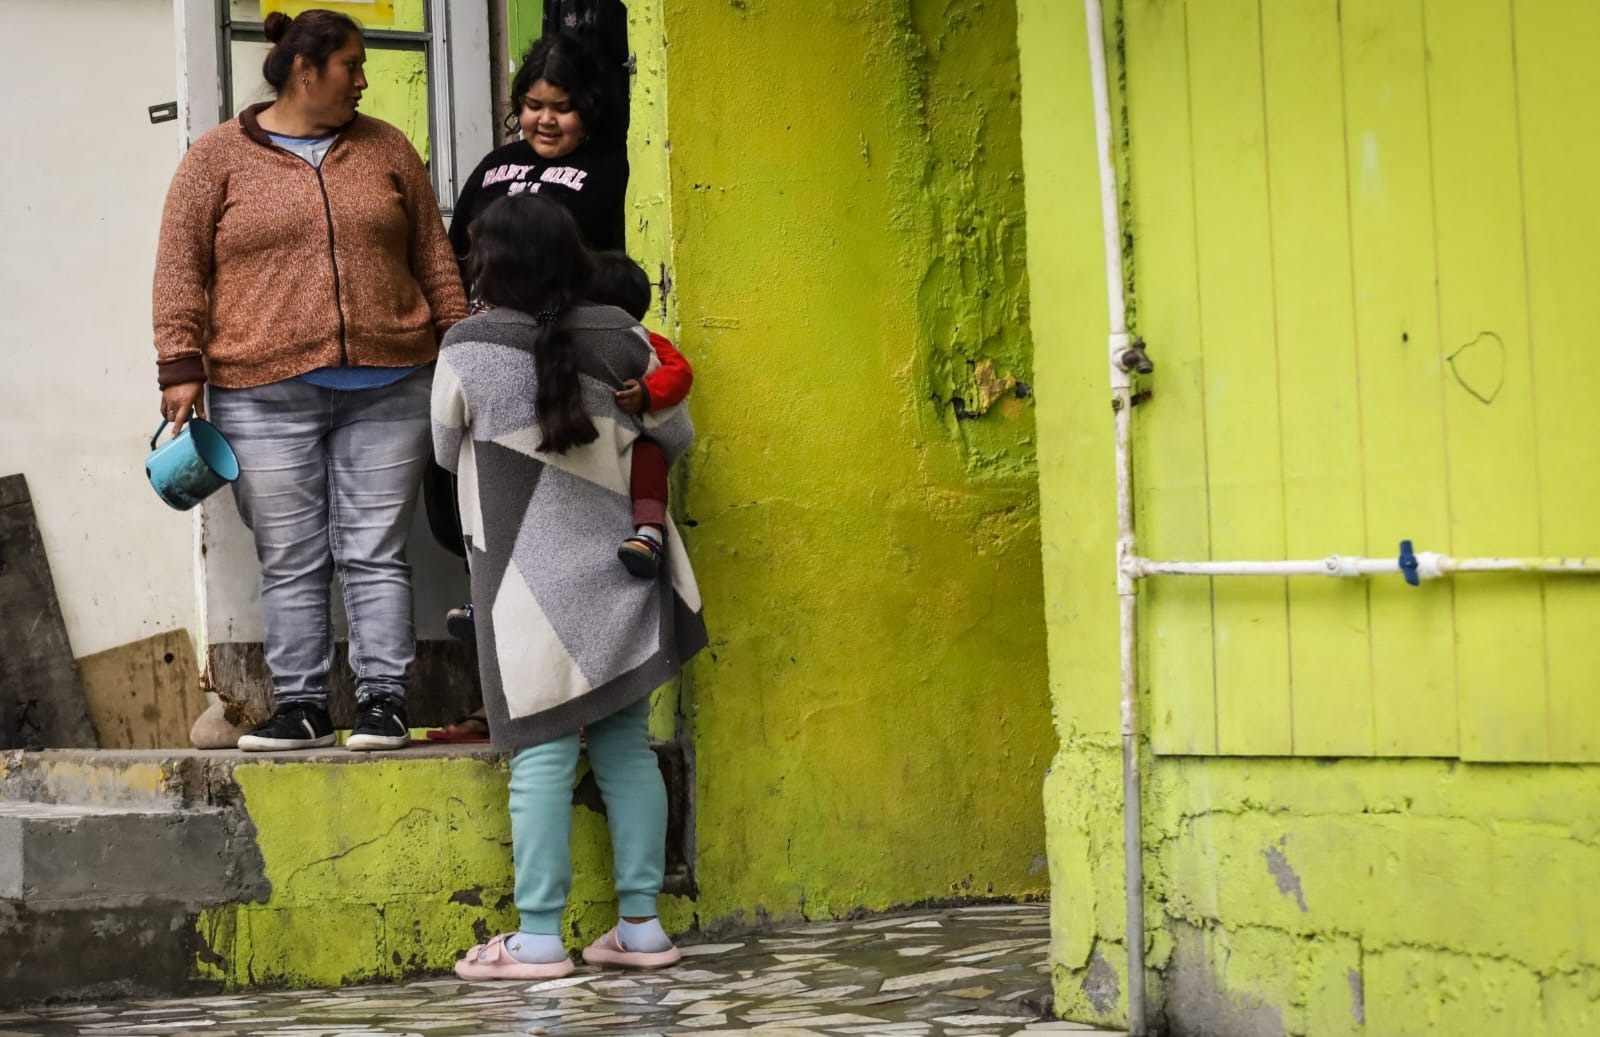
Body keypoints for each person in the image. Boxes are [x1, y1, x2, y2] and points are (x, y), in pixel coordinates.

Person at [152, 9, 467, 752]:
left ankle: (384, 700)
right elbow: (178, 266)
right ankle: (301, 705)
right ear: (305, 70)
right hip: (261, 389)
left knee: (374, 548)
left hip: (391, 383)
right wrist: (178, 364)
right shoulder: (216, 159)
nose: (363, 79)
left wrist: (458, 345)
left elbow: (434, 254)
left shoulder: (388, 148)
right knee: (291, 554)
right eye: (350, 66)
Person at [434, 194, 706, 979]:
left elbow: (448, 451)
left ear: (494, 263)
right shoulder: (624, 337)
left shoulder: (467, 344)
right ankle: (642, 928)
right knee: (625, 748)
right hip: (626, 568)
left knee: (541, 758)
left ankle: (540, 938)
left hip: (524, 585)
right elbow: (676, 432)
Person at [589, 252, 694, 578]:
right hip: (598, 447)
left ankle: (650, 534)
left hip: (638, 442)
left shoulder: (646, 340)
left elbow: (680, 372)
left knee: (649, 458)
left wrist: (647, 393)